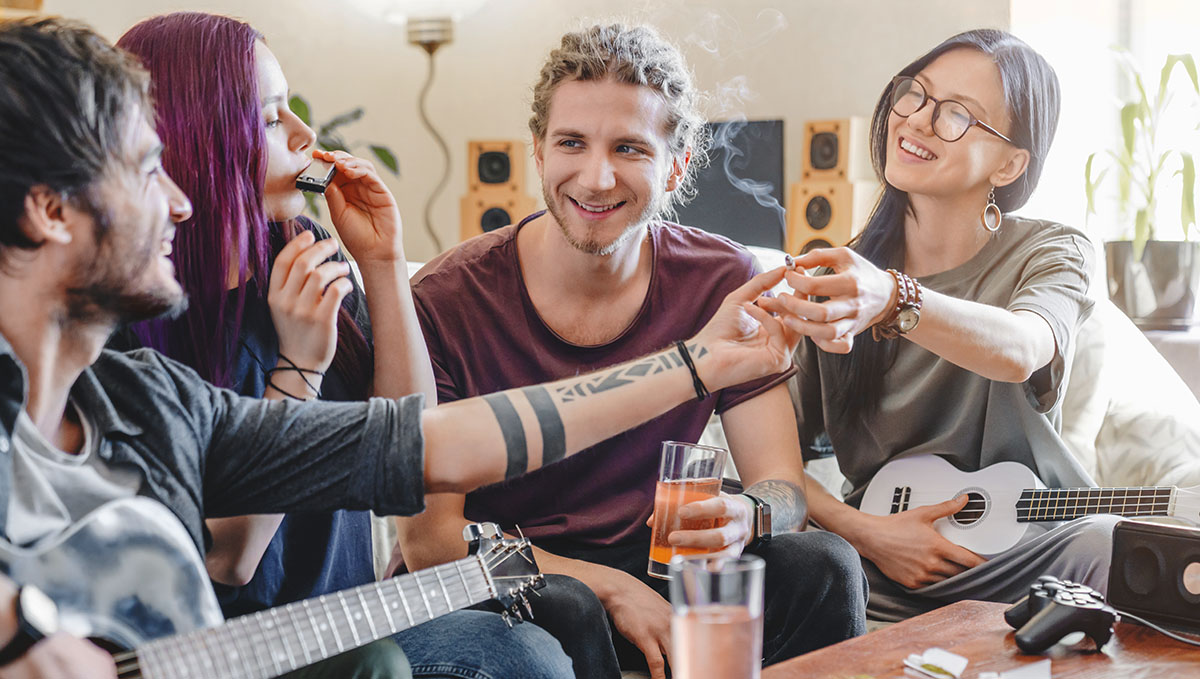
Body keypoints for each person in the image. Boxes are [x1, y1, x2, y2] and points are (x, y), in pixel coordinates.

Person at [0, 17, 801, 678]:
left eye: (629, 148)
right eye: (147, 167)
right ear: (47, 210)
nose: (175, 200)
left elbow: (427, 444)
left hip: (330, 627)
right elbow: (243, 559)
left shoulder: (153, 394)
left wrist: (695, 365)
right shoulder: (128, 379)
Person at [395, 23, 867, 679]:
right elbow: (431, 544)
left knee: (823, 564)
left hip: (656, 565)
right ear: (537, 151)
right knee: (570, 603)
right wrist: (606, 588)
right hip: (502, 576)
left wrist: (749, 512)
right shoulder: (446, 299)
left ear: (676, 163)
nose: (596, 177)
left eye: (629, 148)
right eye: (571, 143)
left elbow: (783, 485)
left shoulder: (718, 281)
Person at [112, 12, 569, 678]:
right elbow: (230, 559)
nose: (305, 134)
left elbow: (409, 461)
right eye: (271, 119)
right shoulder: (130, 321)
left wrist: (384, 262)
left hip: (347, 616)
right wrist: (298, 365)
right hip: (228, 647)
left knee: (530, 651)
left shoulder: (305, 252)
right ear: (199, 139)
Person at [764, 29, 1111, 622]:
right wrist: (868, 533)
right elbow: (771, 465)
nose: (919, 121)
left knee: (1108, 544)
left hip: (1027, 559)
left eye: (957, 115)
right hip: (870, 565)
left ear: (1011, 162)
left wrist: (895, 299)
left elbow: (1023, 346)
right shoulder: (844, 276)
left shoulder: (1054, 252)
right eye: (915, 95)